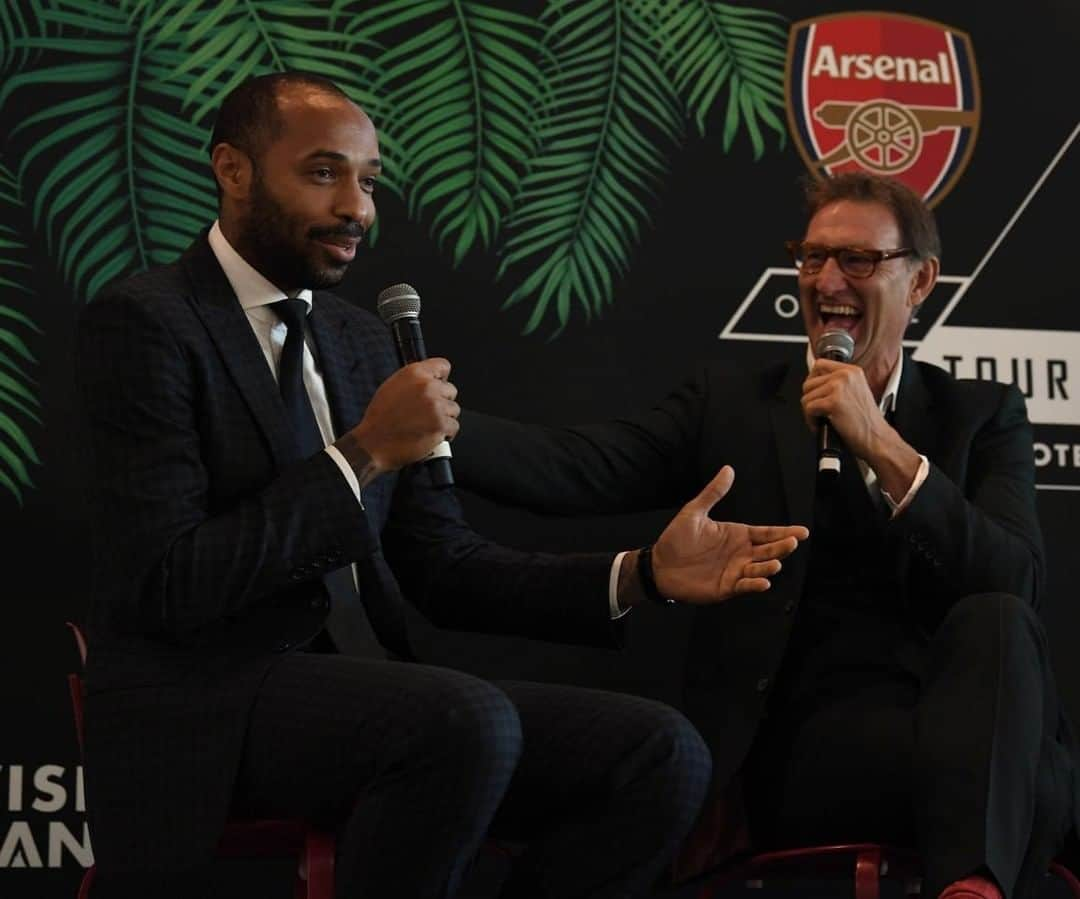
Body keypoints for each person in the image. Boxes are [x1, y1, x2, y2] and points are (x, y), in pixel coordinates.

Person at [75, 71, 810, 899]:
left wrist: (639, 572)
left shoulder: (359, 341)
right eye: (324, 173)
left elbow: (442, 564)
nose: (358, 208)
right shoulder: (147, 323)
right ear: (233, 170)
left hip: (382, 697)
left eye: (369, 180)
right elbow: (171, 583)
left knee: (661, 753)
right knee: (462, 720)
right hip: (208, 704)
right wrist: (362, 455)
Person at [453, 172, 1079, 899]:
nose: (827, 280)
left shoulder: (980, 412)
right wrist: (438, 428)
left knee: (996, 620)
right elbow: (576, 467)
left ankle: (971, 887)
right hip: (819, 754)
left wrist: (878, 440)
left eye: (858, 260)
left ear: (921, 281)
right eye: (812, 258)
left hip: (976, 744)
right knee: (1022, 786)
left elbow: (1015, 579)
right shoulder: (738, 406)